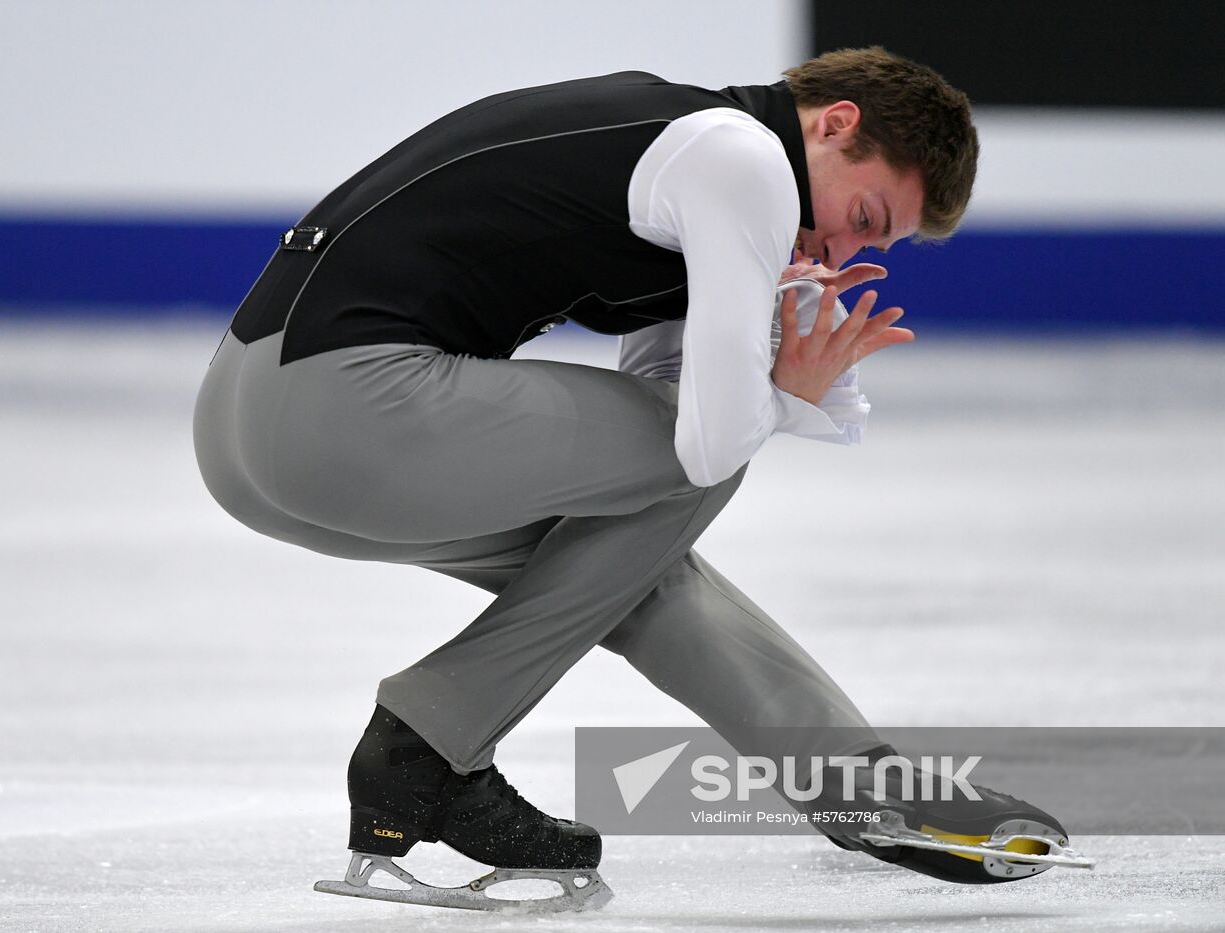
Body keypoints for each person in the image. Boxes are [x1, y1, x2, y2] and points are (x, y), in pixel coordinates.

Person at [193, 47, 1082, 913]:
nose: (846, 247)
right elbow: (707, 443)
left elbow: (669, 417)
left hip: (251, 432)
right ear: (835, 124)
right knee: (699, 466)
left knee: (633, 558)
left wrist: (772, 351)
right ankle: (427, 742)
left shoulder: (697, 151)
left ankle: (859, 786)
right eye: (865, 215)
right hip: (343, 407)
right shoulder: (742, 158)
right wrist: (788, 397)